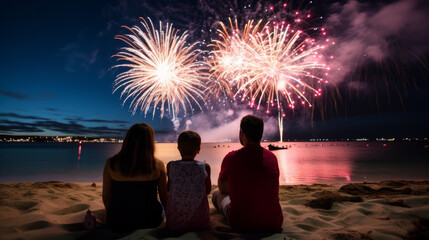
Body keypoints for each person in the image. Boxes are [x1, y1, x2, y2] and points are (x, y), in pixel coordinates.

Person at [212, 115, 283, 232]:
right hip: (273, 223)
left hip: (241, 223)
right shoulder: (272, 157)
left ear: (242, 134)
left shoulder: (231, 158)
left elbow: (223, 189)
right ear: (261, 134)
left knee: (216, 194)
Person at [102, 123, 168, 232]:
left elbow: (106, 197)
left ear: (127, 140)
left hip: (117, 221)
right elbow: (164, 199)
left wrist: (111, 215)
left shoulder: (111, 163)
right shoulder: (158, 165)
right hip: (150, 220)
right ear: (150, 143)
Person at [166, 130, 211, 231]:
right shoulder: (204, 167)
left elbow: (168, 189)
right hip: (201, 223)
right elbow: (207, 191)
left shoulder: (171, 166)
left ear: (178, 149)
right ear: (198, 149)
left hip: (174, 223)